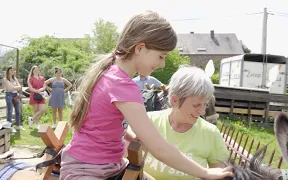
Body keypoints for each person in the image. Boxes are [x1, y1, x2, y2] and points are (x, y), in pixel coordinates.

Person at [60, 11, 233, 180]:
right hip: (90, 171)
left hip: (103, 165)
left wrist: (126, 133)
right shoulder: (123, 86)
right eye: (161, 56)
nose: (163, 64)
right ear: (140, 48)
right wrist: (206, 173)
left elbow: (101, 122)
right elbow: (159, 149)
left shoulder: (111, 74)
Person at [140, 65, 229, 180]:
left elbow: (220, 175)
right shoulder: (148, 122)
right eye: (196, 105)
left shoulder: (211, 133)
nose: (202, 111)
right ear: (175, 100)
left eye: (205, 104)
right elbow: (124, 162)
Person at [3, 67, 24, 132]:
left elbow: (19, 87)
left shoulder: (15, 78)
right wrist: (16, 87)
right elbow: (9, 89)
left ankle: (18, 125)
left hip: (16, 95)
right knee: (10, 111)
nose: (12, 71)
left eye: (13, 70)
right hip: (9, 95)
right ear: (8, 71)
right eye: (11, 70)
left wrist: (16, 87)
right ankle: (10, 126)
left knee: (18, 111)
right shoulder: (5, 79)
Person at [27, 65, 46, 130]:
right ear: (32, 71)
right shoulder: (30, 78)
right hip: (34, 95)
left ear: (39, 70)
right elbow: (30, 88)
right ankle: (37, 124)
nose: (36, 71)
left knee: (43, 110)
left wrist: (41, 90)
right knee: (35, 110)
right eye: (35, 70)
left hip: (41, 95)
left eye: (37, 70)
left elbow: (44, 86)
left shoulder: (42, 78)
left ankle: (31, 119)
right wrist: (38, 91)